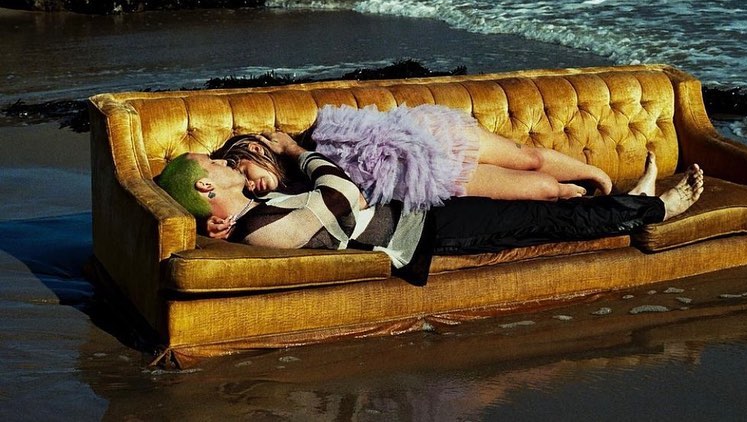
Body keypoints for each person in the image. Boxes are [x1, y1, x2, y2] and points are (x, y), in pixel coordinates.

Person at [156, 132, 704, 285]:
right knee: (545, 220)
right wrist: (301, 154)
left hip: (418, 201)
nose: (224, 160)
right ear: (205, 185)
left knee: (528, 190)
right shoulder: (259, 229)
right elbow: (344, 198)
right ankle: (656, 210)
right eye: (214, 163)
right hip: (425, 234)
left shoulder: (257, 201)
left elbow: (326, 189)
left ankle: (633, 198)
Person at [210, 103, 614, 213]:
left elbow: (378, 134)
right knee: (544, 189)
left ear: (257, 148)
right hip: (430, 180)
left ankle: (596, 174)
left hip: (429, 136)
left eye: (243, 168)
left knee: (528, 159)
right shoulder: (285, 196)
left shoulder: (318, 135)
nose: (249, 183)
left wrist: (294, 150)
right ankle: (579, 194)